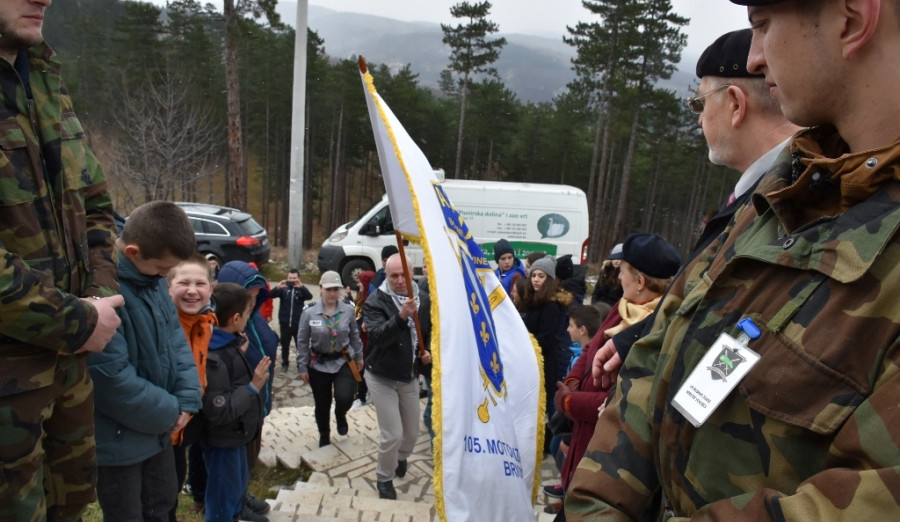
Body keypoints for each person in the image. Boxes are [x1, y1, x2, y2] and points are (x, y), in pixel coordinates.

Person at [566, 1, 900, 518]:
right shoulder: (790, 186)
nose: (756, 58)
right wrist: (594, 508)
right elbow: (656, 359)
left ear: (852, 20)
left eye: (763, 24)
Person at [591, 28, 802, 401]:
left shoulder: (793, 199)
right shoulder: (764, 193)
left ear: (736, 104)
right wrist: (636, 340)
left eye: (700, 104)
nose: (699, 120)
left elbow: (747, 330)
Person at [0, 3, 124, 519]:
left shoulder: (44, 78)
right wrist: (75, 321)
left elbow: (95, 202)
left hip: (69, 372)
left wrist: (96, 294)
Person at [87, 201, 201, 521]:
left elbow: (175, 341)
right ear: (133, 252)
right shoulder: (101, 289)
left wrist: (188, 398)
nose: (166, 275)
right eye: (163, 268)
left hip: (156, 432)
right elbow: (109, 376)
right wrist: (170, 411)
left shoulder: (151, 281)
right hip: (119, 443)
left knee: (163, 505)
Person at [364, 253, 432, 500]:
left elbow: (429, 332)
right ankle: (384, 478)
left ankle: (401, 457)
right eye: (394, 276)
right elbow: (378, 337)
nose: (400, 280)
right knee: (392, 433)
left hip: (410, 375)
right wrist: (401, 316)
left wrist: (429, 352)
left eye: (404, 273)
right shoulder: (375, 302)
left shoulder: (422, 298)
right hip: (381, 375)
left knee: (412, 434)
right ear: (386, 274)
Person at [216, 260, 278, 519]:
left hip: (255, 403)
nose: (252, 305)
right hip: (237, 407)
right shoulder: (225, 329)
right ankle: (233, 505)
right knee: (232, 463)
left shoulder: (253, 320)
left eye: (255, 299)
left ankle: (241, 496)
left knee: (247, 459)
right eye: (248, 300)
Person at [202, 282, 270, 522]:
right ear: (235, 318)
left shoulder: (228, 342)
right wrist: (254, 386)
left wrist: (237, 349)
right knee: (221, 498)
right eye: (248, 313)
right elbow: (219, 410)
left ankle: (236, 511)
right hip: (224, 440)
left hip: (237, 436)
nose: (249, 317)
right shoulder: (214, 357)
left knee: (235, 487)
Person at [167, 255, 218, 518]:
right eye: (183, 282)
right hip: (161, 427)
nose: (191, 290)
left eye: (200, 283)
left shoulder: (207, 323)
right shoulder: (162, 323)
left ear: (211, 289)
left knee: (174, 485)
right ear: (168, 286)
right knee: (161, 497)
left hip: (188, 423)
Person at [543, 305, 603, 504]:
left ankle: (569, 490)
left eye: (571, 326)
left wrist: (569, 399)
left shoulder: (595, 355)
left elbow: (582, 396)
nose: (568, 330)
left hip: (579, 422)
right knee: (557, 445)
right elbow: (569, 381)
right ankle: (566, 486)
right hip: (573, 418)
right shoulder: (579, 352)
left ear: (582, 330)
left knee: (561, 447)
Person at [297, 271, 364, 447]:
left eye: (336, 289)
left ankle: (340, 414)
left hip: (343, 360)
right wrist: (302, 367)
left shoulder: (348, 309)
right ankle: (324, 433)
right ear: (321, 289)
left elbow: (355, 335)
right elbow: (302, 341)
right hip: (318, 363)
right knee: (322, 403)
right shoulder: (309, 312)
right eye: (329, 289)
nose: (333, 293)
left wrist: (359, 356)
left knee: (345, 397)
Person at [519, 256, 572, 418]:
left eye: (541, 276)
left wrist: (524, 345)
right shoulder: (534, 300)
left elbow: (546, 339)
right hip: (533, 360)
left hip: (545, 364)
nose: (535, 280)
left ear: (549, 279)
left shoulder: (550, 305)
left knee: (546, 408)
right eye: (533, 275)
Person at [270, 268, 313, 371]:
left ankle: (300, 364)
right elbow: (270, 295)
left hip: (298, 323)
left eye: (294, 278)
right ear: (287, 278)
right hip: (285, 322)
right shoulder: (283, 289)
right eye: (290, 278)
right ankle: (285, 363)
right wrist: (277, 287)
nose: (292, 280)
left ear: (298, 278)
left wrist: (301, 287)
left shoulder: (301, 290)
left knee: (300, 345)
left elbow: (310, 296)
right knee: (285, 345)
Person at [353, 270, 376, 407]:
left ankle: (363, 397)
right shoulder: (361, 296)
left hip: (366, 342)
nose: (358, 284)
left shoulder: (369, 301)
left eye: (360, 281)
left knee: (363, 371)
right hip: (358, 341)